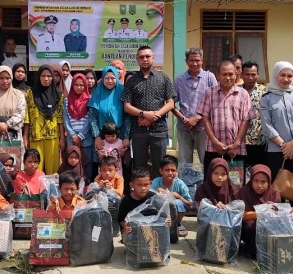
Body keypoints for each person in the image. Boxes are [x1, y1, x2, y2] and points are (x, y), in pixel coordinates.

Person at [260, 61, 293, 220]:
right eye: (282, 75)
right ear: (276, 75)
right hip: (276, 151)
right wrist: (284, 145)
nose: (286, 79)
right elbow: (266, 125)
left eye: (289, 76)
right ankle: (280, 225)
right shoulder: (266, 98)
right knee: (278, 189)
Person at [122, 46, 175, 177]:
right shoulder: (132, 81)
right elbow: (127, 106)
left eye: (147, 56)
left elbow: (170, 103)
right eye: (141, 57)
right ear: (137, 60)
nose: (144, 59)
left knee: (160, 166)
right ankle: (141, 195)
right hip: (139, 130)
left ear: (153, 58)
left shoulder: (163, 78)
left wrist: (153, 116)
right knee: (139, 167)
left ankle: (159, 194)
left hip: (159, 129)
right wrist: (144, 114)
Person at [197, 61, 253, 178]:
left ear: (236, 74)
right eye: (224, 74)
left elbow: (246, 119)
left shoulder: (243, 94)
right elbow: (205, 118)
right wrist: (215, 142)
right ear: (218, 75)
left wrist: (236, 143)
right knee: (212, 182)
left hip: (237, 150)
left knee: (235, 183)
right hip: (213, 148)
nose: (228, 77)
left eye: (231, 74)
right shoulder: (209, 93)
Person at [172, 48, 218, 165]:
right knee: (184, 162)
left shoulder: (209, 77)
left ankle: (207, 183)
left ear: (202, 61)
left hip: (204, 127)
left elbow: (215, 102)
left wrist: (197, 117)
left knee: (206, 160)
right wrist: (184, 119)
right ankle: (185, 184)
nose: (194, 63)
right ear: (186, 61)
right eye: (191, 60)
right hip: (184, 127)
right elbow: (171, 104)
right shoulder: (179, 80)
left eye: (197, 60)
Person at [88, 66, 130, 178]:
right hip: (102, 135)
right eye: (107, 78)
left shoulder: (122, 92)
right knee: (102, 162)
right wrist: (96, 136)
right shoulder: (98, 92)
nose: (110, 81)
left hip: (119, 134)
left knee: (119, 163)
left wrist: (126, 137)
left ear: (117, 78)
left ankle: (120, 189)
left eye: (113, 78)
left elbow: (127, 117)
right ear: (102, 78)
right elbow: (92, 117)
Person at [23, 64, 65, 174]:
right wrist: (25, 136)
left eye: (49, 76)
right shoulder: (30, 94)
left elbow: (60, 118)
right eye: (43, 76)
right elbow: (27, 116)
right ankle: (37, 190)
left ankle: (53, 190)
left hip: (53, 137)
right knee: (35, 167)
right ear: (39, 77)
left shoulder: (59, 95)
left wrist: (62, 138)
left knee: (53, 169)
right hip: (36, 135)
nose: (46, 79)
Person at [236, 164, 282, 258]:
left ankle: (264, 250)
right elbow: (239, 214)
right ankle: (250, 250)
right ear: (251, 180)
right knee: (250, 225)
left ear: (269, 182)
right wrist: (261, 213)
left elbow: (278, 215)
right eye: (256, 181)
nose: (259, 185)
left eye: (263, 182)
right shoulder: (244, 192)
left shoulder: (274, 194)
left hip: (266, 229)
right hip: (248, 228)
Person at [151, 155, 192, 237]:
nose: (170, 173)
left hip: (175, 214)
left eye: (173, 170)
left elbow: (189, 204)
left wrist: (178, 196)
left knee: (178, 203)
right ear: (161, 171)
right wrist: (156, 192)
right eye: (167, 170)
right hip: (159, 213)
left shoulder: (180, 184)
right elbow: (147, 200)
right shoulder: (156, 182)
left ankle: (177, 224)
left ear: (176, 171)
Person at [63, 73, 93, 178]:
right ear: (72, 85)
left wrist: (80, 136)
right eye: (76, 85)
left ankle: (86, 188)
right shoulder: (66, 101)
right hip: (71, 139)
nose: (79, 87)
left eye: (81, 85)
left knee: (87, 164)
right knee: (71, 164)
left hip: (86, 138)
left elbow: (90, 119)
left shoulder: (90, 99)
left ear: (85, 86)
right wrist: (73, 135)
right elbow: (66, 119)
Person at [242, 61, 267, 168]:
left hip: (259, 141)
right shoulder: (235, 91)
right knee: (238, 174)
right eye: (247, 74)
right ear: (242, 74)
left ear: (258, 74)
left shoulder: (265, 92)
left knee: (257, 173)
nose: (250, 77)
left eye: (253, 74)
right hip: (239, 142)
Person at [117, 168, 155, 234]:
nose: (143, 188)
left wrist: (167, 220)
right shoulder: (126, 201)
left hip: (152, 231)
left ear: (150, 183)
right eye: (139, 185)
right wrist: (126, 226)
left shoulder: (154, 197)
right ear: (132, 185)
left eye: (146, 185)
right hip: (133, 232)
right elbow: (121, 220)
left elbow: (162, 215)